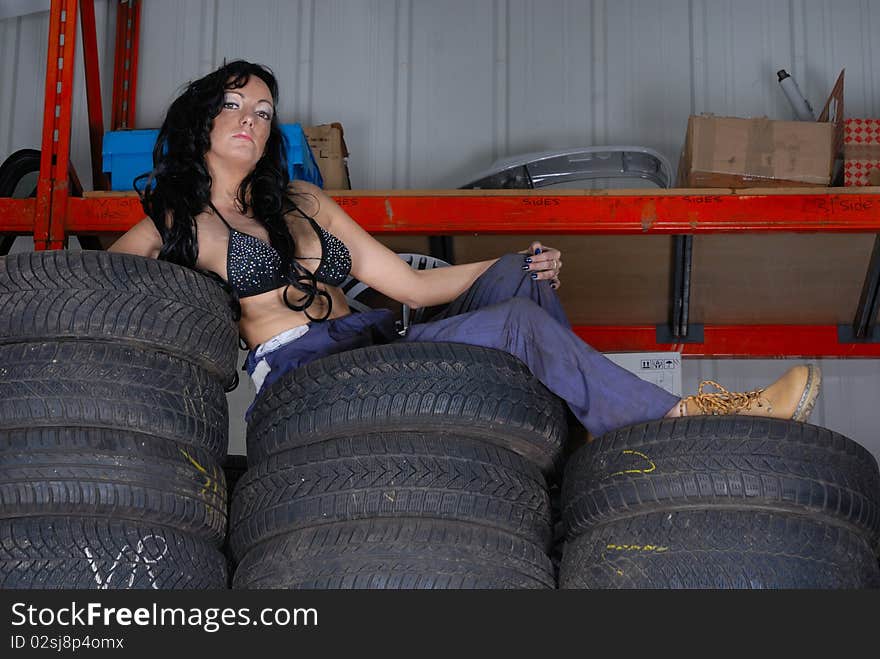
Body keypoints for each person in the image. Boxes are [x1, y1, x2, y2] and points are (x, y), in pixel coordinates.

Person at [108, 60, 822, 438]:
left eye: (264, 111)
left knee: (520, 278)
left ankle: (586, 442)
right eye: (234, 104)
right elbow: (86, 292)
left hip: (374, 337)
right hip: (306, 377)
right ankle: (684, 420)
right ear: (202, 116)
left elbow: (411, 288)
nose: (251, 120)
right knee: (517, 326)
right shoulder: (175, 218)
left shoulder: (301, 200)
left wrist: (519, 262)